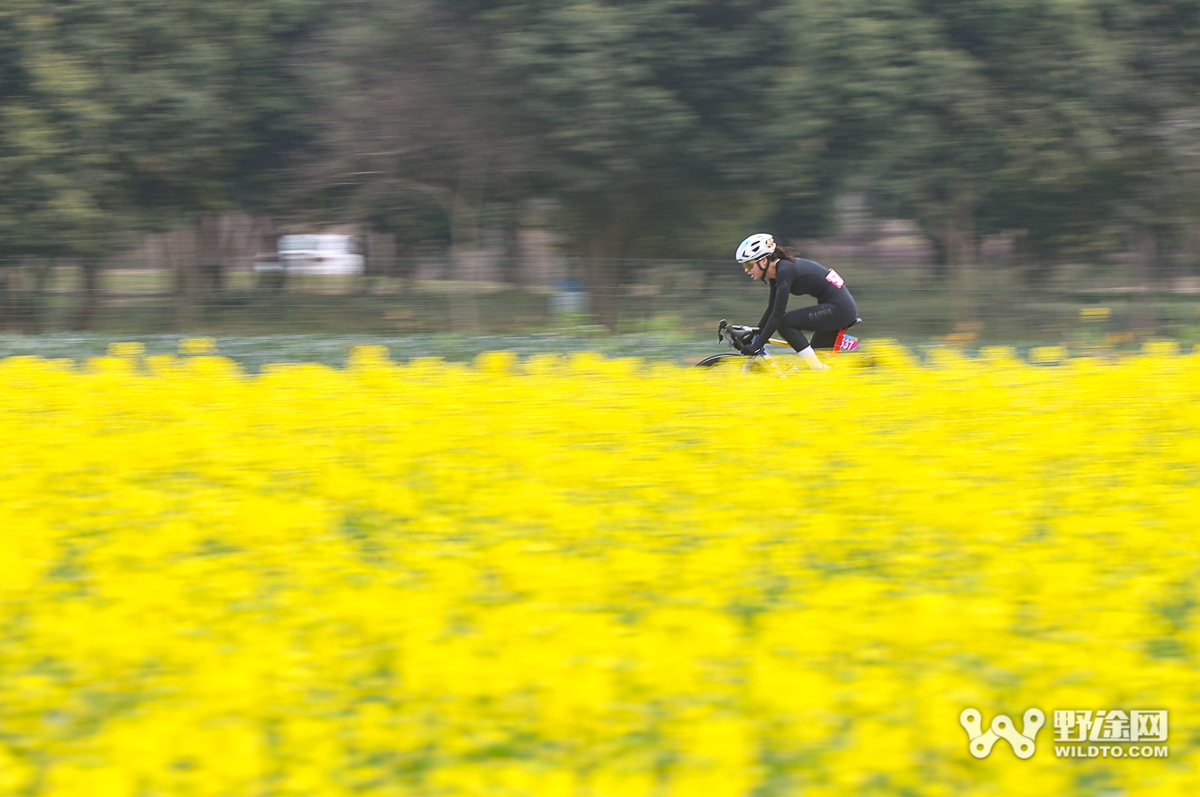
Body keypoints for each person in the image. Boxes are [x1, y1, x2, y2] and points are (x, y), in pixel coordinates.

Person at [734, 233, 859, 370]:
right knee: (809, 368)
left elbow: (778, 313)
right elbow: (771, 309)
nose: (746, 270)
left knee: (786, 323)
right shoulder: (776, 272)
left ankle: (818, 369)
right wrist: (755, 335)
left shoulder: (785, 270)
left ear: (763, 261)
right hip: (836, 308)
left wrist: (757, 345)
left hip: (840, 310)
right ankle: (819, 371)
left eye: (749, 265)